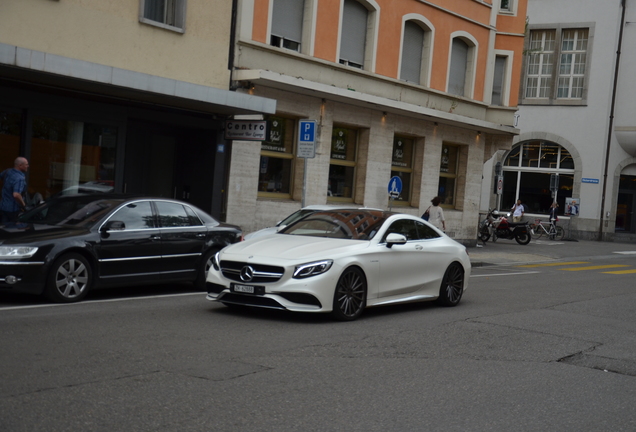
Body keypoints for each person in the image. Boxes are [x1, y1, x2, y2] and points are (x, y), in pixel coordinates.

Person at [0, 157, 29, 223]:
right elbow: (16, 195)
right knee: (12, 229)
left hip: (3, 206)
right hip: (13, 210)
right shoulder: (19, 178)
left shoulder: (7, 171)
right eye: (26, 164)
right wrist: (24, 205)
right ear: (20, 165)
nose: (28, 166)